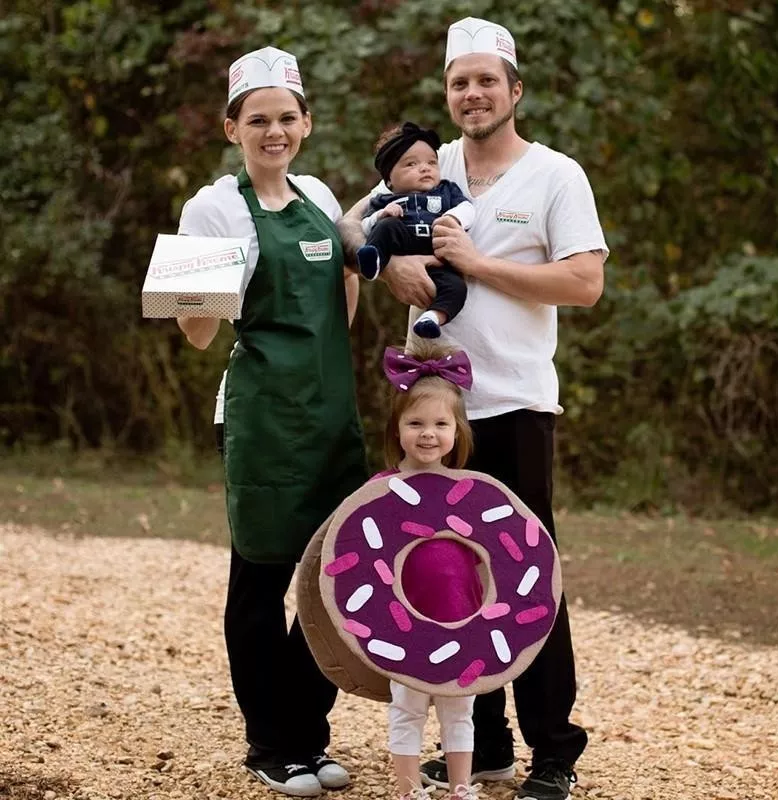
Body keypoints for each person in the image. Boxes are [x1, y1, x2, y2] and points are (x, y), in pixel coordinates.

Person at [339, 16, 608, 800]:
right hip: (433, 413)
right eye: (460, 82)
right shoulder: (426, 165)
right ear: (448, 95)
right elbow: (351, 225)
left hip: (516, 402)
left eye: (487, 80)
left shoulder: (556, 175)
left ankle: (553, 750)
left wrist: (477, 265)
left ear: (515, 90)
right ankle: (484, 745)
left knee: (529, 573)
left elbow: (584, 283)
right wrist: (390, 272)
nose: (473, 93)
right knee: (452, 577)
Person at [176, 46, 368, 797]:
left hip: (330, 416)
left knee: (329, 585)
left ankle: (307, 737)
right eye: (258, 119)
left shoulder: (320, 194)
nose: (274, 131)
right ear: (233, 129)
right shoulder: (213, 206)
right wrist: (200, 281)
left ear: (307, 123)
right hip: (260, 416)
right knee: (260, 579)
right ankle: (268, 743)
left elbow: (342, 301)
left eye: (286, 117)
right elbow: (193, 334)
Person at [376, 341, 482, 800]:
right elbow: (362, 554)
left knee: (459, 711)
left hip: (463, 618)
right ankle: (407, 789)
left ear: (457, 432)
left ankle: (461, 787)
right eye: (415, 423)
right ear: (396, 430)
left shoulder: (472, 493)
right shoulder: (379, 492)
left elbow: (491, 556)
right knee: (408, 709)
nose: (428, 434)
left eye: (441, 424)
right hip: (406, 623)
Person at [357, 121, 475, 338]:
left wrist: (453, 217)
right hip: (405, 242)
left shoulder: (446, 190)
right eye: (411, 164)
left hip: (438, 255)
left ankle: (432, 318)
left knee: (457, 288)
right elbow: (363, 224)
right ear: (389, 180)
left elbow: (468, 207)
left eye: (432, 162)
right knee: (386, 226)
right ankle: (374, 260)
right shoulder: (385, 198)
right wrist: (382, 214)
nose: (424, 168)